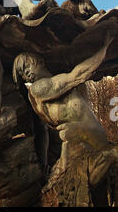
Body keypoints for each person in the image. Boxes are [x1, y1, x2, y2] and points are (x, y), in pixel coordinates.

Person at [12, 38, 116, 173]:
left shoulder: (50, 87)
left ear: (40, 61)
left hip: (90, 136)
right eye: (21, 73)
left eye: (26, 66)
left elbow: (77, 75)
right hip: (86, 137)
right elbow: (76, 75)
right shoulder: (38, 88)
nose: (25, 73)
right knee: (67, 133)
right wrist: (105, 49)